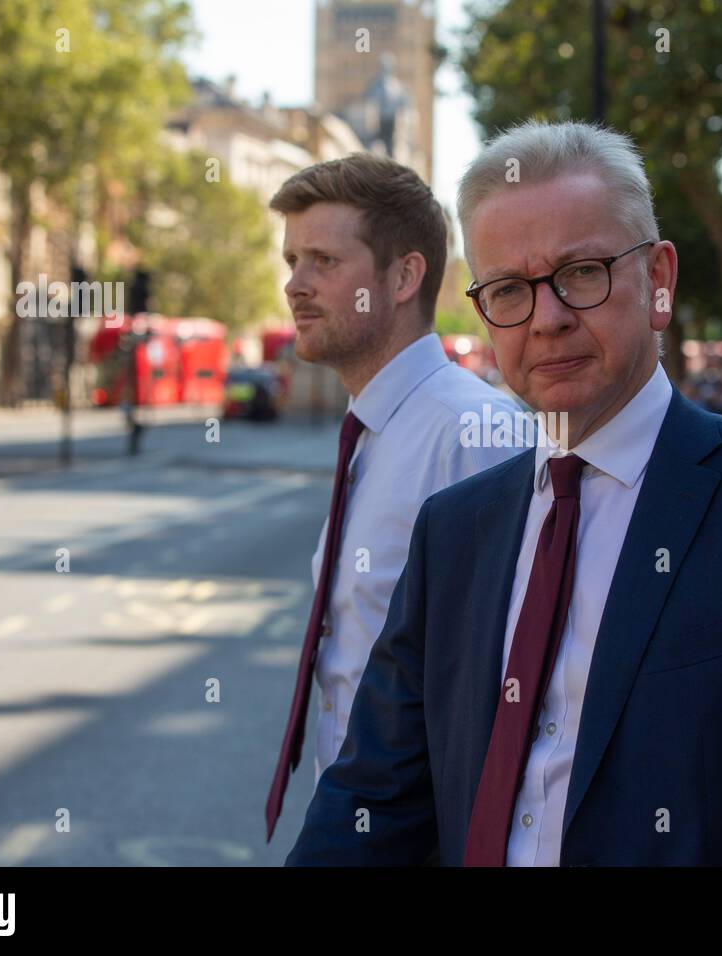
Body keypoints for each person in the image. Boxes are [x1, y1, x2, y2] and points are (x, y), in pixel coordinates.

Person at [287, 121, 722, 866]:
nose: (548, 317)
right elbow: (375, 794)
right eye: (510, 290)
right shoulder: (454, 530)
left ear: (658, 280)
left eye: (582, 273)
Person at [263, 153, 523, 842]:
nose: (295, 284)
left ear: (404, 276)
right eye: (292, 260)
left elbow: (508, 684)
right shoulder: (374, 431)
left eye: (323, 260)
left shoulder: (474, 435)